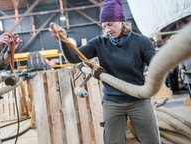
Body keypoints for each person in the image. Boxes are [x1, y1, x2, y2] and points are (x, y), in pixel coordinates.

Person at [48, 0, 160, 143]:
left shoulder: (140, 41)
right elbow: (74, 57)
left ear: (122, 21)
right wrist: (63, 39)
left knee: (151, 140)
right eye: (105, 25)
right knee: (113, 141)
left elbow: (156, 63)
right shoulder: (99, 43)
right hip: (113, 102)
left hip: (138, 100)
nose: (108, 29)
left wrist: (153, 72)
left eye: (111, 24)